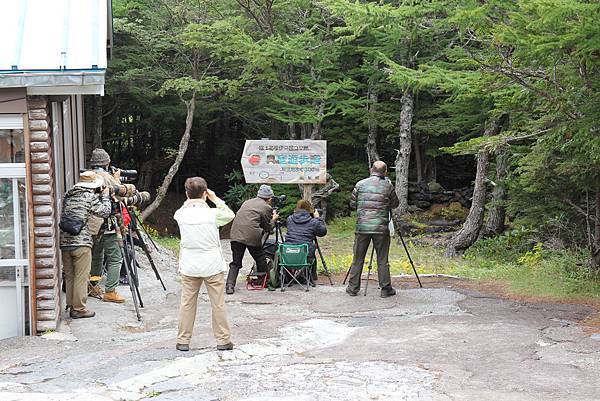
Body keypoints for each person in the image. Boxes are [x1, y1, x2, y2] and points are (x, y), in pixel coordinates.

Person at [174, 177, 235, 352]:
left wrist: (189, 201)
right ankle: (223, 340)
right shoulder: (213, 214)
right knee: (218, 303)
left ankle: (183, 340)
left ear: (187, 194)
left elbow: (180, 210)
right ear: (205, 193)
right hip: (212, 264)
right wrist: (215, 199)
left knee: (187, 303)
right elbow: (230, 214)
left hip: (189, 265)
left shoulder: (181, 215)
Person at [59, 171, 111, 318]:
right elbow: (105, 212)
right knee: (81, 276)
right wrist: (105, 196)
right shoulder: (90, 196)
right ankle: (79, 309)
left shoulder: (68, 195)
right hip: (81, 243)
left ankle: (70, 304)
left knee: (69, 275)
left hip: (65, 242)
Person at [346, 161, 399, 298]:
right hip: (381, 228)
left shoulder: (360, 184)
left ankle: (353, 288)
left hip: (362, 227)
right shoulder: (388, 186)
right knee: (382, 259)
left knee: (358, 259)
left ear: (371, 170)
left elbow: (352, 204)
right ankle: (385, 289)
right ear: (385, 172)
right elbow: (395, 204)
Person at [87, 148, 127, 303]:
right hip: (108, 225)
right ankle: (110, 291)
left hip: (91, 225)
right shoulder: (105, 177)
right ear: (107, 163)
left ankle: (93, 285)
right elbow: (120, 194)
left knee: (96, 256)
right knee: (116, 258)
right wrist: (116, 179)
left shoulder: (87, 177)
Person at [226, 184, 279, 294]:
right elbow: (268, 227)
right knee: (260, 258)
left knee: (236, 262)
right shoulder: (266, 207)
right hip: (252, 236)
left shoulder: (247, 202)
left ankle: (230, 286)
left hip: (236, 235)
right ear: (269, 198)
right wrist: (274, 219)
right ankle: (264, 281)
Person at [284, 199, 327, 286]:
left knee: (305, 250)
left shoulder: (289, 219)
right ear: (309, 210)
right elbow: (323, 232)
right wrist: (318, 218)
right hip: (305, 255)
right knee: (311, 253)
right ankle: (310, 277)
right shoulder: (313, 222)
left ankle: (291, 277)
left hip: (288, 254)